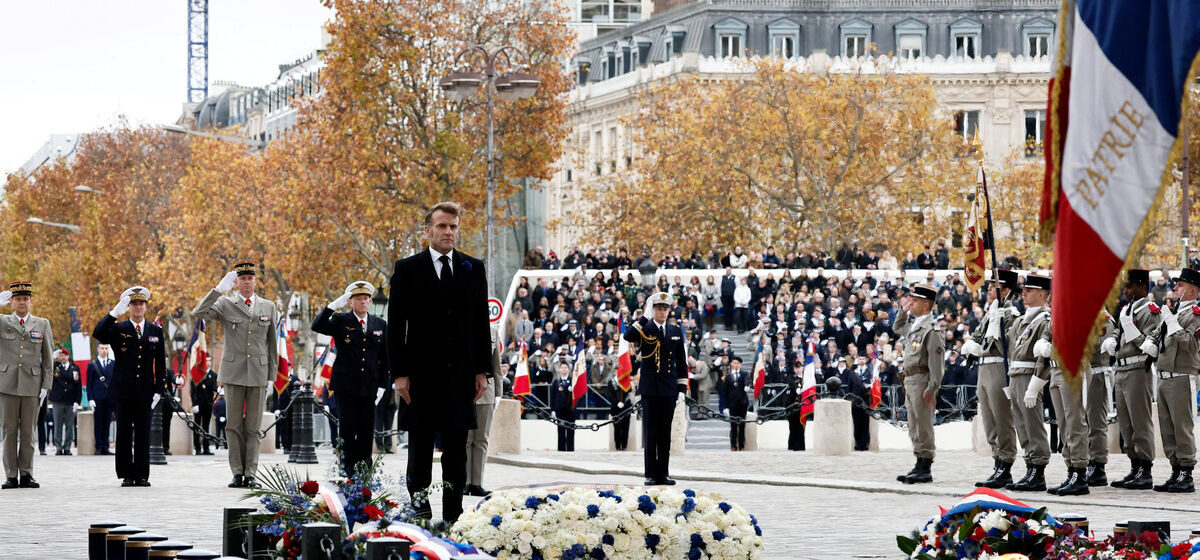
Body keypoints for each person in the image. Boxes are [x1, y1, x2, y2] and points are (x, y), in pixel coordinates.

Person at [388, 202, 493, 522]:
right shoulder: (407, 268)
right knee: (419, 446)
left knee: (456, 448)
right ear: (427, 230)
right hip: (420, 376)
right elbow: (396, 325)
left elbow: (480, 325)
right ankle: (419, 507)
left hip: (460, 376)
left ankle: (453, 512)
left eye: (453, 227)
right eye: (442, 226)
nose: (449, 232)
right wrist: (400, 374)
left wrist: (482, 371)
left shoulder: (473, 268)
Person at [193, 261, 279, 488]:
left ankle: (251, 473)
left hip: (259, 372)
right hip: (233, 372)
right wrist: (218, 290)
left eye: (250, 278)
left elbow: (272, 342)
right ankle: (237, 473)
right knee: (233, 426)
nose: (247, 282)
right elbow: (199, 312)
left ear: (255, 281)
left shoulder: (268, 306)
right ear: (236, 282)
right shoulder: (225, 303)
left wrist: (272, 374)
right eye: (242, 279)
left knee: (253, 426)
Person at [311, 281, 391, 477]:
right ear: (351, 302)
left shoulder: (380, 324)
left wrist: (382, 386)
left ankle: (364, 473)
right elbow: (317, 325)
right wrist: (332, 306)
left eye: (366, 299)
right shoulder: (340, 320)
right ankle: (346, 471)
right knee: (346, 431)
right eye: (358, 299)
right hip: (346, 386)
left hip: (370, 386)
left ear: (370, 302)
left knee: (366, 432)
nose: (363, 302)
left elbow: (385, 358)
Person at [93, 286, 168, 487]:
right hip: (123, 390)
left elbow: (161, 363)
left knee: (143, 433)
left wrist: (159, 390)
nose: (137, 307)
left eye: (141, 303)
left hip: (145, 391)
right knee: (124, 433)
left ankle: (142, 474)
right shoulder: (119, 328)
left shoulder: (155, 331)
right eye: (133, 303)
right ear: (128, 307)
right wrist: (113, 313)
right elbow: (98, 334)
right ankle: (127, 473)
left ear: (145, 306)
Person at [960, 270, 1020, 488]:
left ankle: (1006, 464)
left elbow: (1010, 344)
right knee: (989, 420)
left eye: (993, 286)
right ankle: (997, 461)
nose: (987, 290)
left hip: (998, 367)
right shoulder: (989, 314)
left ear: (1005, 291)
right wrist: (971, 344)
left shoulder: (1010, 315)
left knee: (1002, 418)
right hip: (984, 369)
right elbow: (977, 335)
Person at [623, 291, 688, 485]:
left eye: (665, 309)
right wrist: (644, 317)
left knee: (664, 432)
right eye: (659, 309)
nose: (662, 313)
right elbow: (628, 336)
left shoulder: (675, 330)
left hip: (668, 387)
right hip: (650, 387)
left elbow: (680, 361)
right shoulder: (645, 328)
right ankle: (650, 473)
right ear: (654, 310)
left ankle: (663, 473)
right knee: (651, 432)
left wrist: (682, 390)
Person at [1035, 282, 1089, 496]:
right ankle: (1070, 469)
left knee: (1075, 422)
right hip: (1056, 370)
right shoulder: (1059, 312)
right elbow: (1048, 333)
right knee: (1064, 423)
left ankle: (1080, 471)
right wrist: (1044, 342)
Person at [1148, 268, 1200, 493]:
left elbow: (1190, 344)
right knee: (1168, 429)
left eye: (1179, 285)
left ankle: (1186, 473)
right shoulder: (1176, 312)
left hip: (1182, 376)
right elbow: (1158, 334)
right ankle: (1176, 470)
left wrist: (1173, 324)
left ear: (1190, 289)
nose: (1175, 288)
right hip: (1164, 375)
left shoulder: (1195, 314)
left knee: (1182, 427)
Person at [1109, 269, 1161, 490]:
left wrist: (1132, 331)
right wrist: (1112, 339)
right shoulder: (1125, 310)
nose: (1125, 291)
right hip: (1121, 370)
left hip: (1139, 369)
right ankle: (1134, 466)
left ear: (1141, 287)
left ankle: (1145, 469)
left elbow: (1151, 343)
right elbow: (1118, 334)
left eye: (1129, 287)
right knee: (1127, 424)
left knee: (1140, 421)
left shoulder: (1151, 311)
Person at [0, 281, 54, 489]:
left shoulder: (42, 324)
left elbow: (48, 357)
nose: (22, 302)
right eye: (18, 299)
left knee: (29, 433)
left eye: (25, 299)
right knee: (9, 431)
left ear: (31, 301)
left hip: (32, 385)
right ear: (11, 302)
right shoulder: (3, 321)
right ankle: (11, 475)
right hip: (7, 384)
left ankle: (27, 474)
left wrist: (45, 386)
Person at [1004, 273, 1052, 491]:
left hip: (1030, 376)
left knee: (1033, 424)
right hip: (1016, 376)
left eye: (1029, 290)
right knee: (1022, 425)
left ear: (1041, 294)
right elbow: (1011, 345)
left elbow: (1045, 357)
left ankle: (1038, 469)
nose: (1023, 293)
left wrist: (1037, 383)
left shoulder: (1044, 320)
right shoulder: (1023, 320)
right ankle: (1030, 465)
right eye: (1024, 290)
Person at [893, 284, 943, 484]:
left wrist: (932, 388)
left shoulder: (931, 330)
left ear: (925, 305)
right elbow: (898, 327)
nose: (910, 302)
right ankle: (918, 461)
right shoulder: (915, 327)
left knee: (923, 424)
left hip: (922, 380)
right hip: (910, 379)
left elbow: (937, 365)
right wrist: (902, 311)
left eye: (914, 301)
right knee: (913, 424)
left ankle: (926, 464)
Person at [465, 326, 503, 497]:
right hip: (465, 388)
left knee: (481, 438)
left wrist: (499, 393)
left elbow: (497, 366)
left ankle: (477, 483)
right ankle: (465, 481)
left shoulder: (493, 331)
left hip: (487, 390)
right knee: (466, 438)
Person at [1086, 311, 1116, 486]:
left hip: (1097, 373)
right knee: (1085, 422)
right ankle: (1089, 460)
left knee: (1096, 422)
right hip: (1084, 374)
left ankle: (1098, 465)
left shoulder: (1103, 318)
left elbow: (1097, 345)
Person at [49, 349, 81, 455]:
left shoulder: (75, 368)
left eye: (64, 355)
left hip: (70, 400)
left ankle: (67, 447)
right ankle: (58, 447)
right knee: (57, 424)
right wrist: (53, 357)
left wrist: (77, 401)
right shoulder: (55, 367)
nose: (62, 357)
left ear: (68, 356)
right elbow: (46, 366)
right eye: (60, 355)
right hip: (58, 400)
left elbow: (78, 386)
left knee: (69, 425)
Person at [87, 344, 116, 455]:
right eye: (102, 348)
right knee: (98, 423)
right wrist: (90, 399)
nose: (104, 350)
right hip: (97, 398)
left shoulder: (112, 364)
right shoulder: (92, 365)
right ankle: (98, 446)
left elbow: (114, 382)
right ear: (98, 349)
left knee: (107, 422)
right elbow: (89, 384)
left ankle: (105, 446)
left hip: (109, 398)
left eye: (106, 348)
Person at [721, 356, 749, 451]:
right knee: (733, 426)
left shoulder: (744, 374)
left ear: (740, 364)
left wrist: (747, 386)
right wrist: (725, 407)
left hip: (742, 403)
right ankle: (733, 445)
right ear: (731, 364)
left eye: (737, 363)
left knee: (742, 425)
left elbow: (747, 380)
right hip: (732, 404)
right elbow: (724, 393)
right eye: (734, 363)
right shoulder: (728, 377)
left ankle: (741, 445)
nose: (735, 365)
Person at [190, 361, 217, 455]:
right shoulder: (197, 374)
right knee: (197, 426)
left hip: (208, 404)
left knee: (206, 427)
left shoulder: (213, 375)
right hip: (198, 404)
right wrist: (194, 404)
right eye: (206, 360)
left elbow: (214, 387)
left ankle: (206, 448)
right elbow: (193, 391)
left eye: (209, 360)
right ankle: (197, 448)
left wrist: (219, 389)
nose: (208, 362)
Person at [550, 362, 575, 452]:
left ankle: (570, 449)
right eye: (562, 367)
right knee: (560, 430)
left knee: (570, 430)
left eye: (565, 367)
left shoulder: (573, 381)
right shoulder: (556, 382)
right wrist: (552, 410)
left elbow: (578, 396)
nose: (564, 369)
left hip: (570, 409)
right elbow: (552, 397)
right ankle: (561, 449)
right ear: (559, 369)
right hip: (559, 409)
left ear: (568, 369)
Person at [608, 374, 633, 450]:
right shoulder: (611, 382)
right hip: (616, 409)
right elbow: (610, 395)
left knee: (626, 428)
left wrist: (624, 403)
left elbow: (629, 392)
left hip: (625, 408)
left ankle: (624, 446)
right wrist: (617, 402)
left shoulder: (626, 382)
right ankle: (618, 447)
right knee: (617, 429)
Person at [786, 360, 806, 451]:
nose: (798, 369)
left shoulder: (805, 378)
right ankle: (792, 445)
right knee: (793, 427)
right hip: (793, 406)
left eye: (799, 367)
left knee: (801, 427)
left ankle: (800, 446)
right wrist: (797, 389)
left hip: (803, 405)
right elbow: (791, 384)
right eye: (796, 368)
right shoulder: (792, 377)